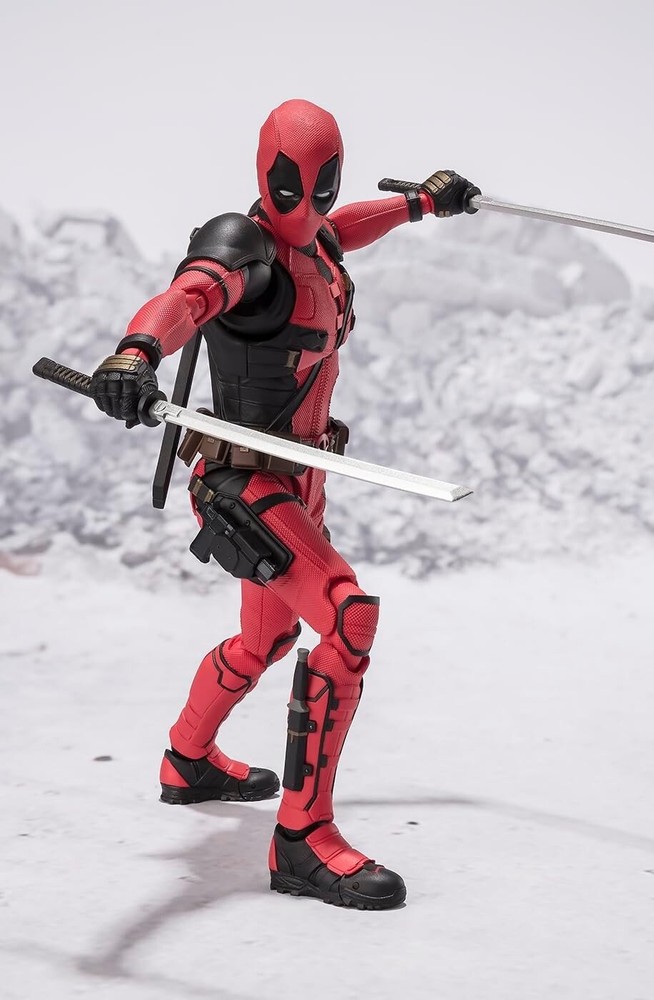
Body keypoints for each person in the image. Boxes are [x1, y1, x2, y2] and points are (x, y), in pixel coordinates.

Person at [89, 98, 479, 909]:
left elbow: (346, 228)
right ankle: (303, 839)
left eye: (321, 182)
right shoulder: (243, 247)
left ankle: (186, 761)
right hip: (244, 483)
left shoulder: (320, 242)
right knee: (347, 617)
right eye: (294, 182)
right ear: (268, 175)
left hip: (302, 481)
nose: (309, 199)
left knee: (264, 639)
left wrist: (419, 203)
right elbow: (189, 296)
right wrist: (135, 352)